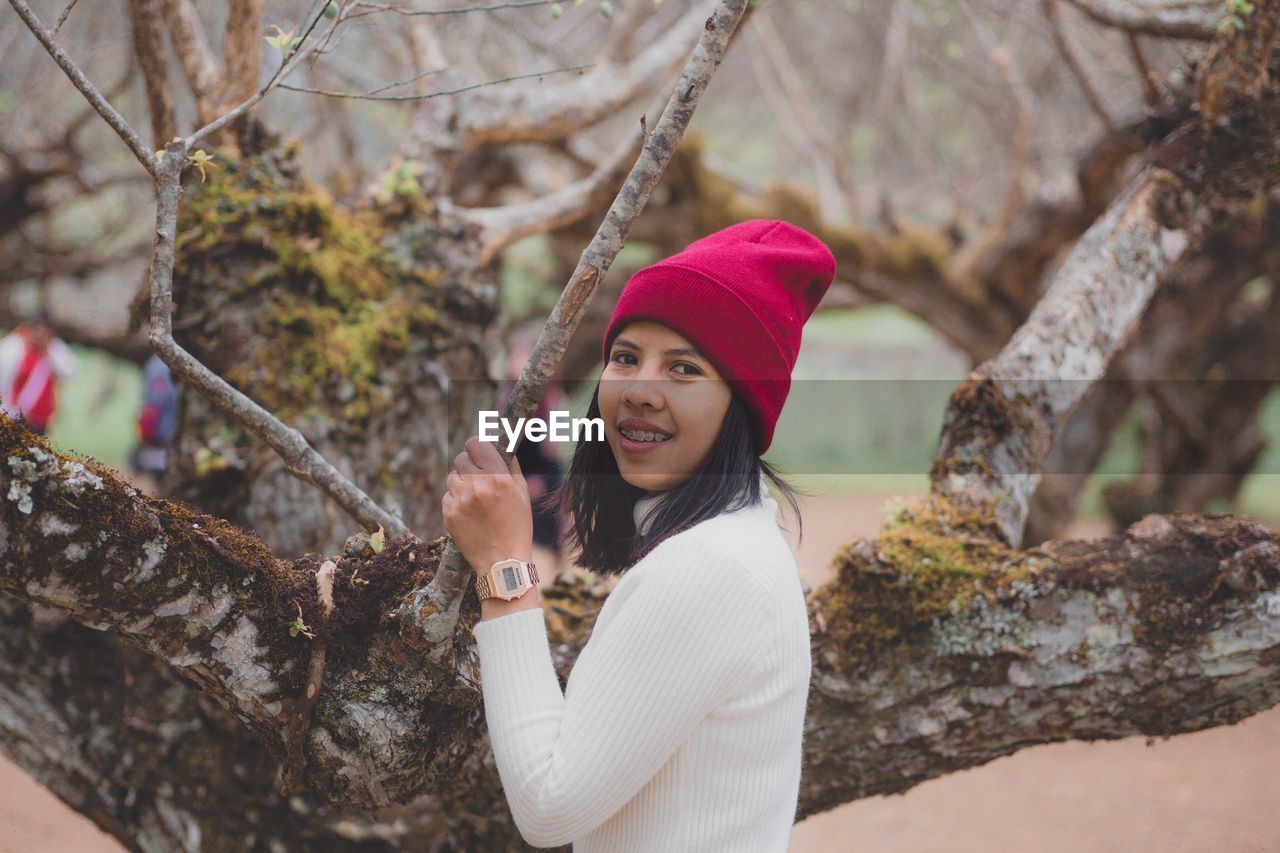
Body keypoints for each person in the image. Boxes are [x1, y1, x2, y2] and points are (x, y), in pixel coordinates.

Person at [442, 220, 835, 851]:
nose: (640, 391)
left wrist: (503, 566)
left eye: (684, 368)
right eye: (625, 358)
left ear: (742, 406)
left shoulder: (708, 570)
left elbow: (548, 807)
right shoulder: (733, 542)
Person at [0, 313, 78, 435]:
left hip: (41, 420)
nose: (39, 335)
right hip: (15, 416)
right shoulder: (14, 346)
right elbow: (3, 382)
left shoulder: (53, 348)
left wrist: (49, 351)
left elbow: (69, 373)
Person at [129, 354, 179, 491]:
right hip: (167, 434)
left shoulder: (153, 363)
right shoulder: (165, 363)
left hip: (159, 434)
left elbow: (147, 401)